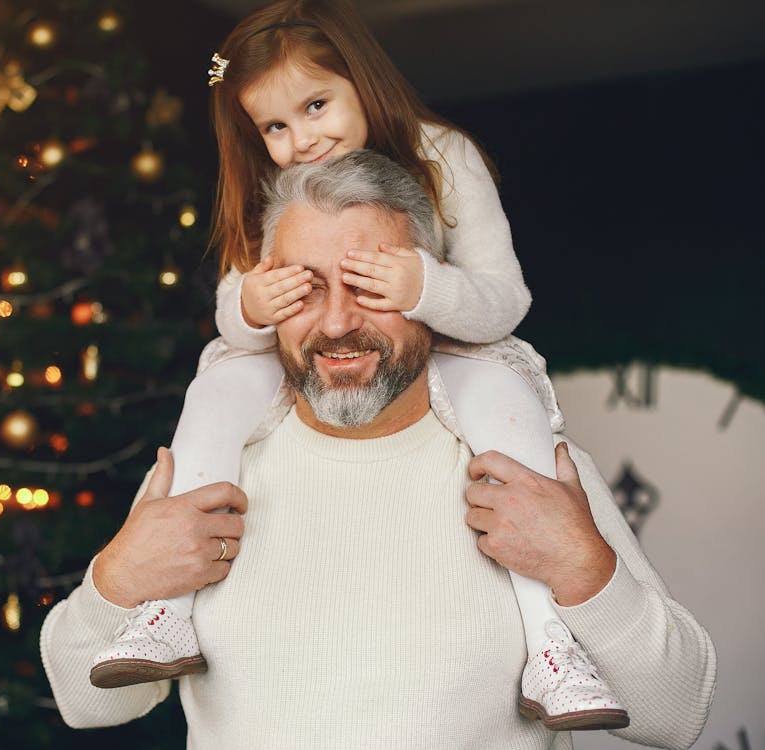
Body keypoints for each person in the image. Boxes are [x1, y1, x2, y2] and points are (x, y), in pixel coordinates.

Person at [41, 150, 715, 748]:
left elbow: (677, 714)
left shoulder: (533, 472)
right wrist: (121, 578)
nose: (336, 323)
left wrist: (580, 566)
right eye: (303, 288)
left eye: (369, 284)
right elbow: (86, 702)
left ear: (434, 292)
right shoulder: (204, 471)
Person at [89, 0, 621, 730]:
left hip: (459, 349)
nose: (302, 139)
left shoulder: (442, 156)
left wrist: (423, 288)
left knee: (513, 433)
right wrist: (252, 301)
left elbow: (503, 299)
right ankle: (163, 613)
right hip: (276, 362)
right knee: (212, 395)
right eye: (275, 127)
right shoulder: (267, 191)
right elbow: (231, 321)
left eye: (315, 106)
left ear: (362, 83)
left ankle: (552, 648)